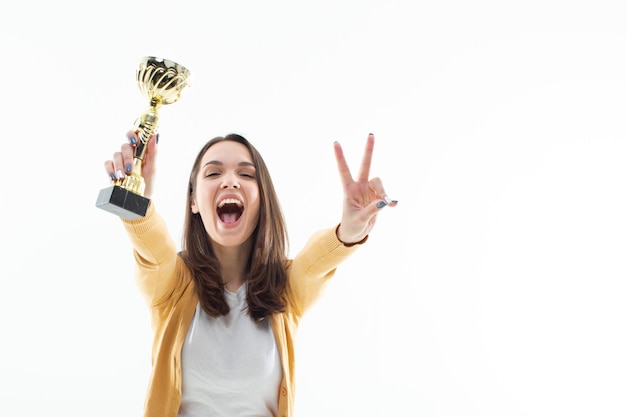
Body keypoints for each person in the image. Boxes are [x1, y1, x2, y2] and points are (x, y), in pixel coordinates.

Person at [104, 131, 397, 417]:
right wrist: (135, 201)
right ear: (193, 201)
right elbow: (154, 251)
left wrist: (348, 232)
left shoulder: (286, 288)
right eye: (213, 173)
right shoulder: (172, 286)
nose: (230, 181)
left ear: (262, 199)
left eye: (246, 175)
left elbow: (314, 264)